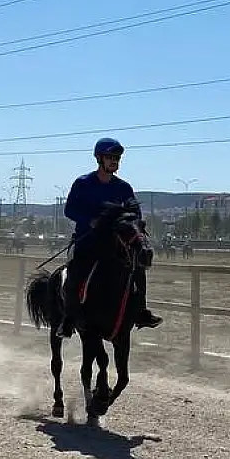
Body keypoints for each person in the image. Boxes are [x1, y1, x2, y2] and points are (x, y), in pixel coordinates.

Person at [62, 137, 161, 329]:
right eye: (110, 157)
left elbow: (135, 212)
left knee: (138, 270)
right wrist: (90, 221)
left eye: (116, 157)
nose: (114, 161)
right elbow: (69, 210)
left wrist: (133, 224)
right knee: (76, 273)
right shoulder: (83, 183)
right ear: (99, 159)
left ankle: (141, 311)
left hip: (115, 246)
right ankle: (69, 317)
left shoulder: (124, 188)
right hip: (87, 243)